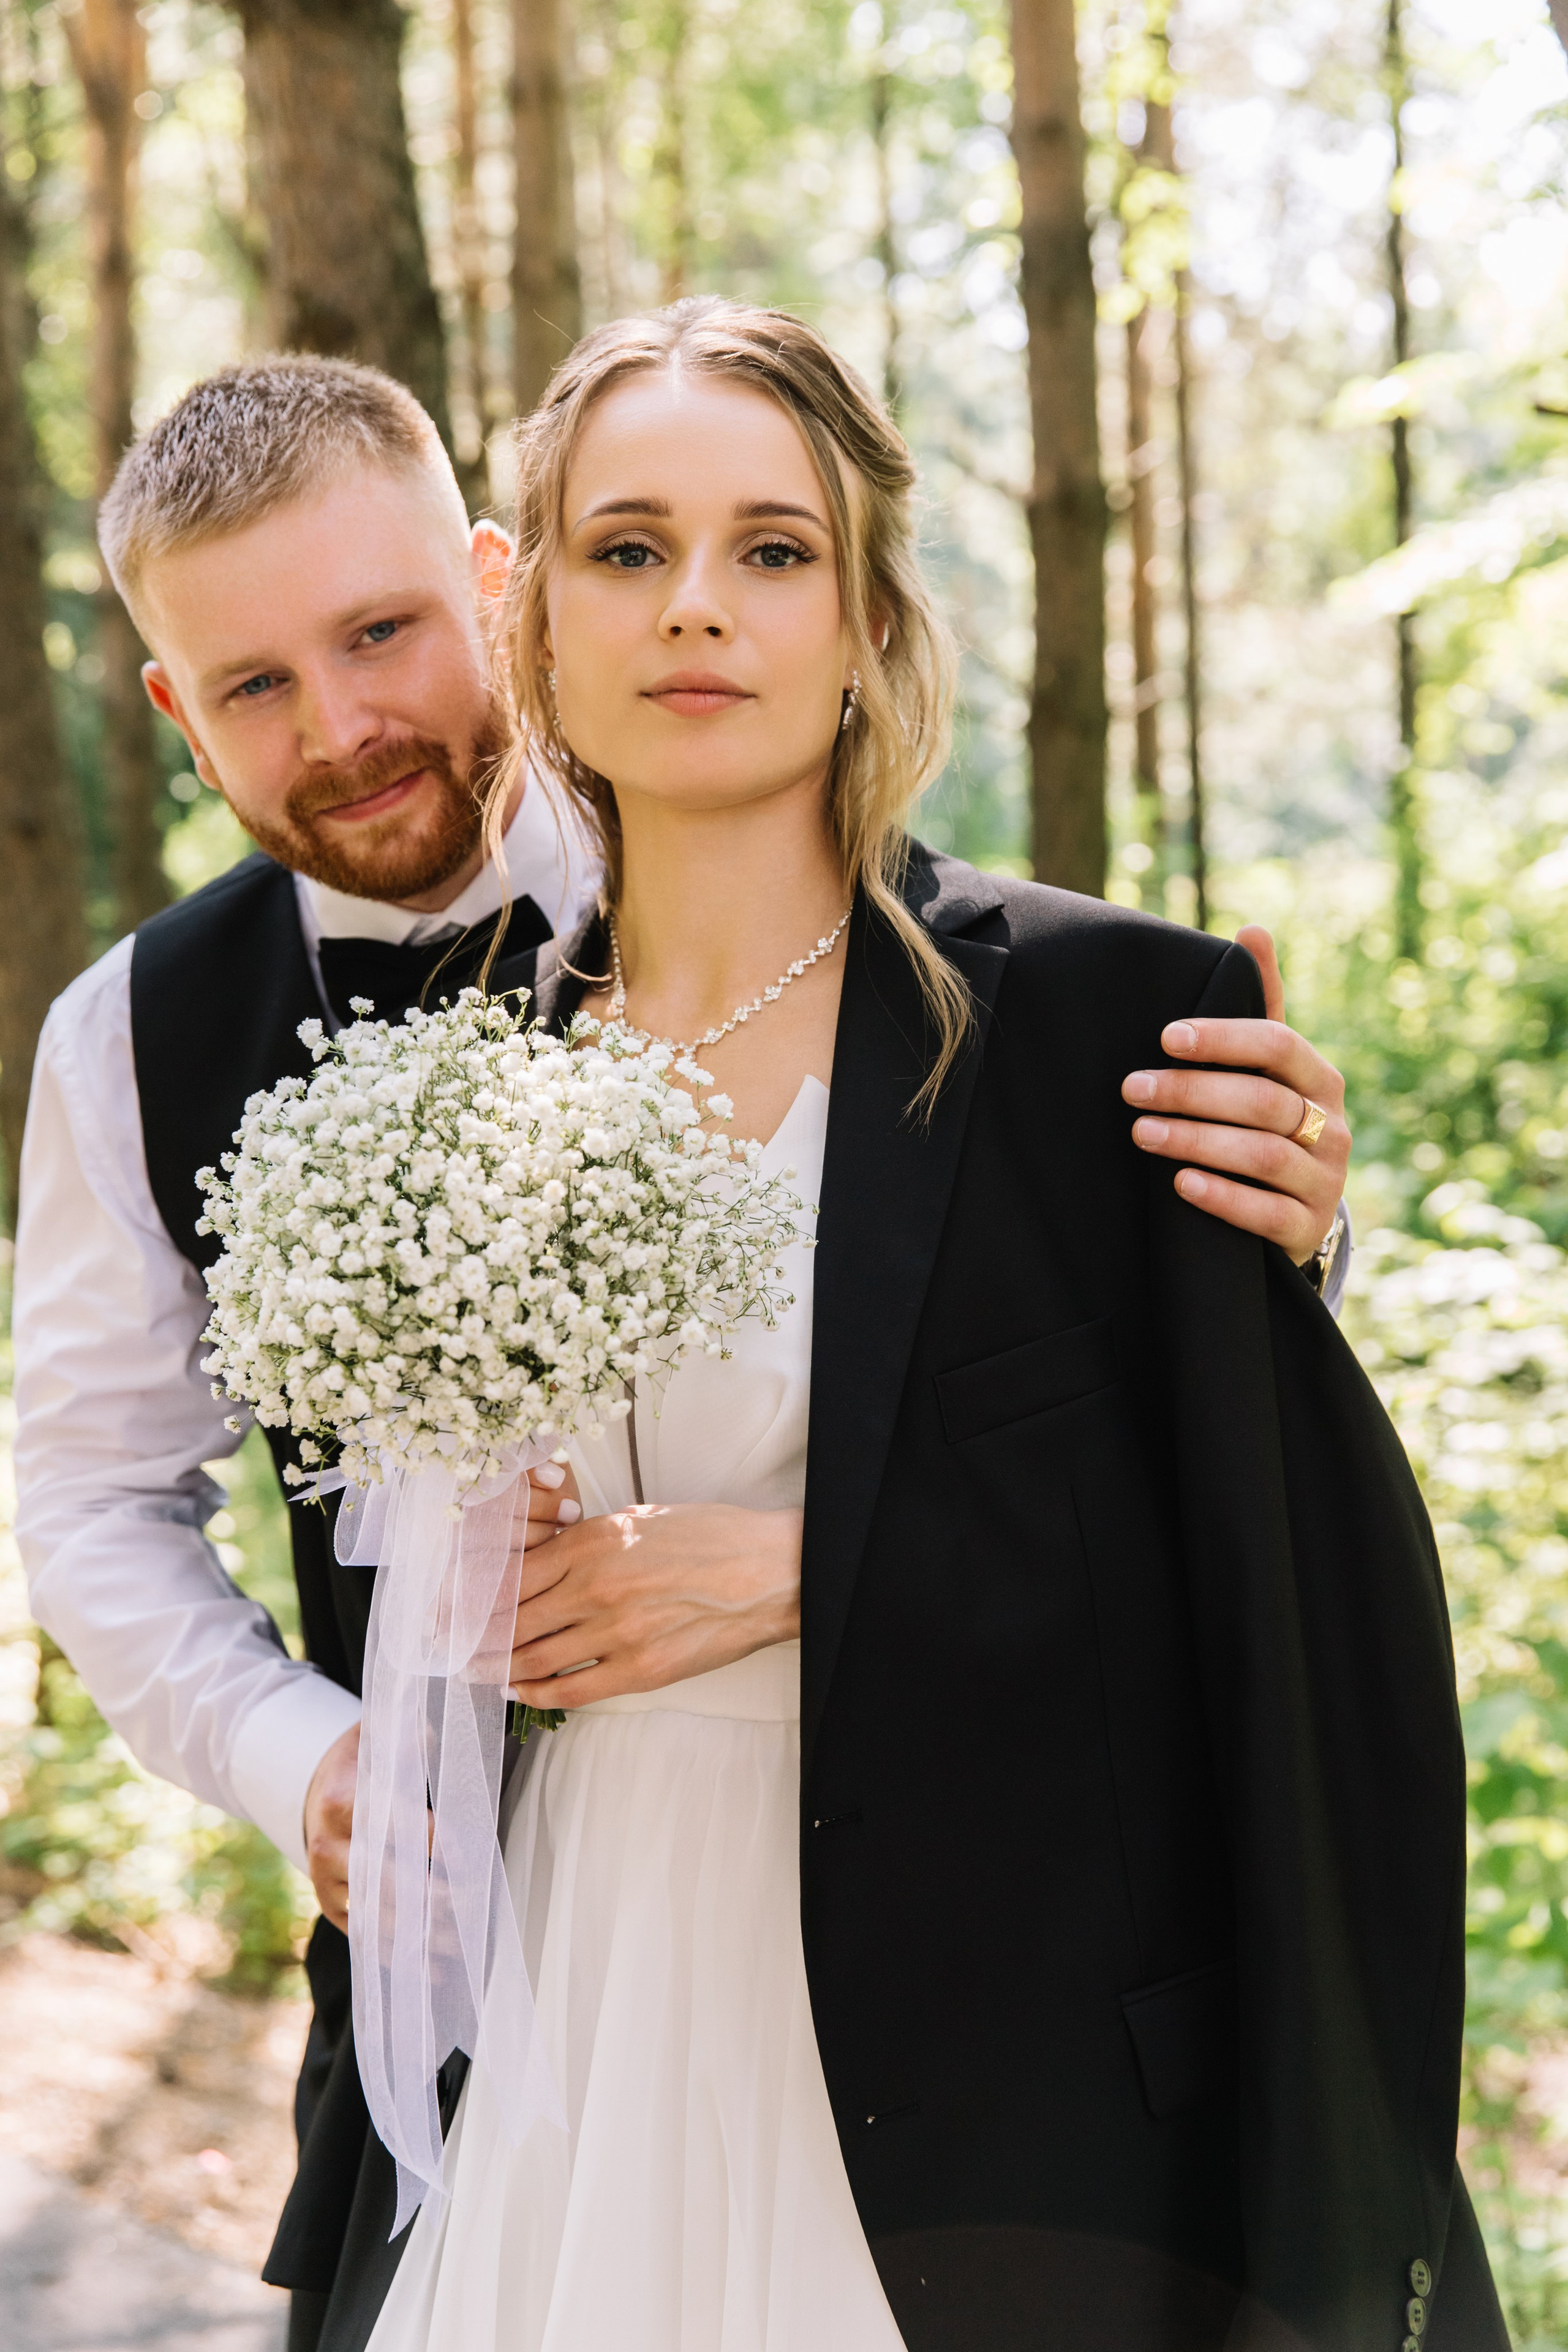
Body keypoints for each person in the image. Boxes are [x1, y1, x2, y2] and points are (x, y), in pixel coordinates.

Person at [10, 345, 1360, 2351]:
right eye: (256, 685)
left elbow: (1106, 1365)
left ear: (496, 588)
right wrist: (317, 1766)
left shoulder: (802, 858)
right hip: (488, 2011)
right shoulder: (137, 1039)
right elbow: (87, 1490)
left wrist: (1304, 1238)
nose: (350, 724)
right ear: (173, 710)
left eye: (381, 631)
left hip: (972, 2023)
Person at [327, 300, 1502, 2352]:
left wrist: (811, 1574)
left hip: (990, 2070)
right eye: (629, 548)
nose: (700, 607)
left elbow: (1276, 1594)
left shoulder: (1104, 1022)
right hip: (578, 2004)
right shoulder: (458, 1068)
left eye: (773, 550)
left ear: (868, 612)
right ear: (538, 624)